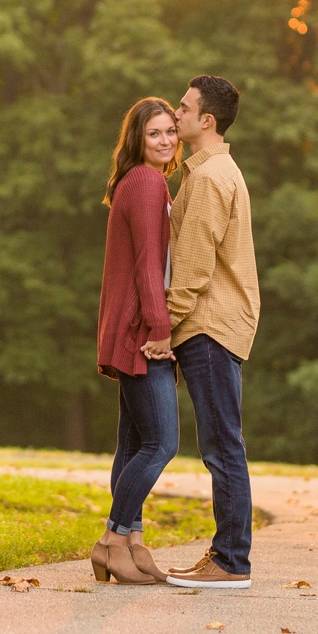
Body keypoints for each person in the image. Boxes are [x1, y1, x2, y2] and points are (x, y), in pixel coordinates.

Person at [161, 74, 260, 590]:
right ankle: (228, 556)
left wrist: (164, 330)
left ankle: (231, 561)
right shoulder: (209, 172)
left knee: (223, 447)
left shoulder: (209, 179)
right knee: (222, 444)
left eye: (183, 108)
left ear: (207, 121)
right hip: (211, 325)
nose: (175, 115)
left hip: (209, 326)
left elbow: (194, 271)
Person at [91, 97, 180, 586]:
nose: (166, 141)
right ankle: (111, 540)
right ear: (137, 140)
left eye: (171, 132)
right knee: (162, 443)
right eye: (155, 134)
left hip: (129, 325)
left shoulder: (141, 181)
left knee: (133, 444)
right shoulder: (146, 182)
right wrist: (160, 330)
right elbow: (150, 265)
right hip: (142, 334)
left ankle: (133, 542)